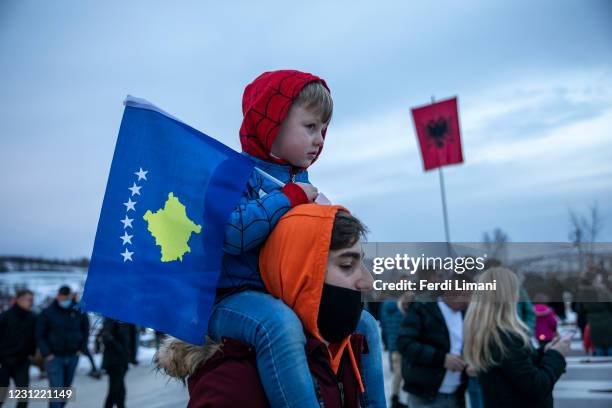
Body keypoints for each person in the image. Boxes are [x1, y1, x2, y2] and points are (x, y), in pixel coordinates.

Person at [205, 69, 385, 407]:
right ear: (272, 122)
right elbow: (233, 232)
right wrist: (289, 198)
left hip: (283, 293)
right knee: (280, 324)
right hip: (231, 298)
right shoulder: (232, 172)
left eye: (323, 129)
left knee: (364, 324)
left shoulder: (302, 180)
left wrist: (326, 223)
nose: (320, 139)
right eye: (310, 127)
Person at [157, 205, 381, 407]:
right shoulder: (233, 383)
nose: (368, 281)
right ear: (298, 272)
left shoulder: (348, 352)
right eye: (347, 265)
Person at [463, 267, 569, 408]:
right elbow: (537, 386)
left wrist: (545, 351)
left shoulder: (490, 333)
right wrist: (556, 354)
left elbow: (516, 369)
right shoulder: (505, 338)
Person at [397, 278, 470, 408]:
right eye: (465, 295)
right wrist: (442, 359)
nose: (468, 301)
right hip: (424, 394)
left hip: (457, 395)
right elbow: (405, 343)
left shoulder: (466, 314)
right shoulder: (422, 308)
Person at [36, 285, 89, 408]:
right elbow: (39, 335)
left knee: (65, 392)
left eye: (67, 297)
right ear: (58, 296)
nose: (65, 300)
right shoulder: (47, 312)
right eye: (63, 297)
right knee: (56, 392)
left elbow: (85, 330)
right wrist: (47, 353)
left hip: (72, 356)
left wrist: (82, 348)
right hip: (54, 358)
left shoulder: (78, 311)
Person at [0, 289, 36, 408]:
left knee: (23, 398)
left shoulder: (33, 317)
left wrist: (32, 352)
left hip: (22, 362)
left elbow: (36, 337)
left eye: (32, 300)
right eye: (28, 299)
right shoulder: (5, 316)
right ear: (19, 300)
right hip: (4, 362)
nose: (31, 302)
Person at [380, 293, 412, 408]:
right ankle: (397, 399)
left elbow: (384, 326)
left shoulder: (386, 309)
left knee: (397, 375)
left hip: (393, 346)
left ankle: (395, 398)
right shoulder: (402, 313)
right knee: (402, 375)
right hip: (402, 348)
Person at [101, 318, 133, 408]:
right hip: (113, 361)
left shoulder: (125, 319)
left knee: (116, 390)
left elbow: (129, 338)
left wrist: (128, 355)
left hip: (122, 361)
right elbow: (106, 336)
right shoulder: (111, 318)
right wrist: (120, 348)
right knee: (117, 390)